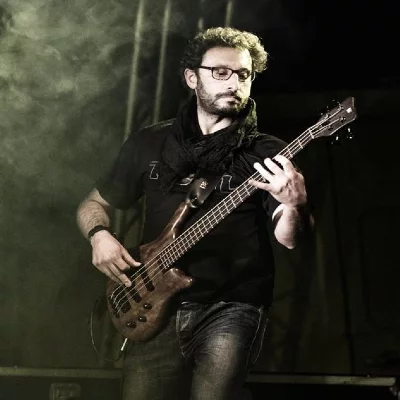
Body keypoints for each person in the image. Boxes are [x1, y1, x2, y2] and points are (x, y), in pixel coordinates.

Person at [77, 26, 313, 400]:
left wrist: (295, 205)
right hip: (152, 303)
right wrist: (98, 236)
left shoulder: (268, 153)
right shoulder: (150, 142)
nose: (234, 83)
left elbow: (288, 239)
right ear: (192, 78)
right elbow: (92, 205)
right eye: (221, 72)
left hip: (232, 306)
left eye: (244, 74)